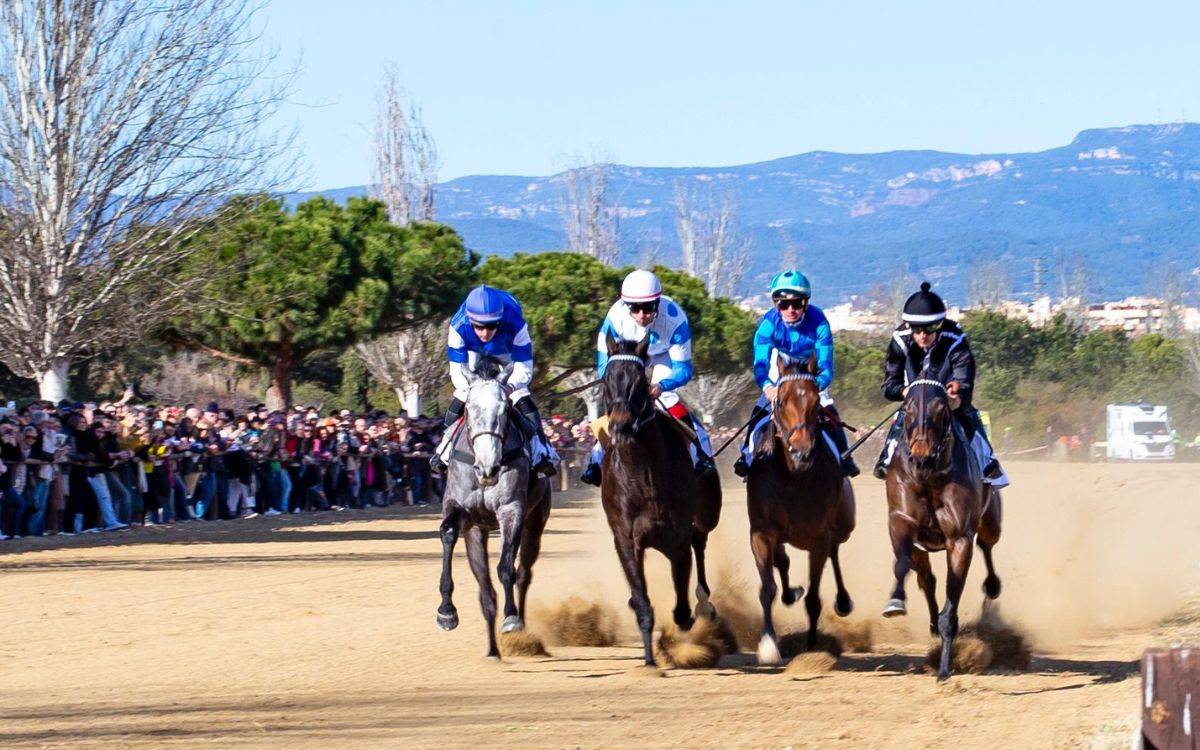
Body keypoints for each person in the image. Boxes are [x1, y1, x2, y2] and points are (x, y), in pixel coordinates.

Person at [579, 269, 715, 487]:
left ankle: (700, 454)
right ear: (626, 305)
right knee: (618, 401)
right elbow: (605, 368)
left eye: (648, 307)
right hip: (628, 357)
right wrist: (627, 387)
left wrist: (661, 386)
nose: (642, 314)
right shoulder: (615, 319)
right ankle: (595, 461)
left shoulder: (675, 320)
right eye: (635, 308)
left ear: (657, 303)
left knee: (668, 399)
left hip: (664, 356)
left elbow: (683, 370)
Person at [872, 281, 1008, 487]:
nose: (923, 335)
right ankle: (887, 458)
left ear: (940, 324)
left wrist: (959, 394)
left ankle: (987, 463)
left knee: (969, 415)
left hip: (945, 401)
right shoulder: (899, 339)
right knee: (904, 417)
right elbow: (889, 385)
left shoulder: (955, 337)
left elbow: (965, 378)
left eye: (930, 328)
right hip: (914, 402)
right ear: (909, 326)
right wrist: (903, 391)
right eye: (917, 329)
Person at [732, 269, 859, 478]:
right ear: (776, 305)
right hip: (780, 363)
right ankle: (746, 456)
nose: (790, 309)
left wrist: (816, 385)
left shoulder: (819, 322)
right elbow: (761, 364)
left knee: (827, 407)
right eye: (783, 304)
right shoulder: (767, 324)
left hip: (810, 366)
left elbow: (826, 366)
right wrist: (768, 388)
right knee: (760, 410)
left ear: (805, 303)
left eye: (797, 304)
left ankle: (845, 457)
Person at [430, 285, 559, 477]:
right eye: (479, 326)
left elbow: (524, 368)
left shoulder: (516, 323)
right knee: (462, 395)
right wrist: (474, 389)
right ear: (470, 321)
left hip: (507, 352)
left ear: (499, 320)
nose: (485, 333)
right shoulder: (458, 326)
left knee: (520, 395)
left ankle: (541, 450)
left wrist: (508, 387)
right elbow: (458, 371)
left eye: (491, 326)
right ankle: (444, 449)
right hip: (473, 352)